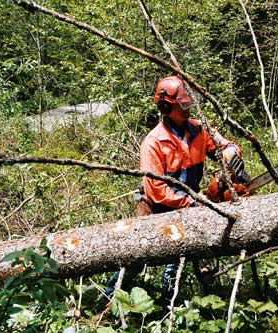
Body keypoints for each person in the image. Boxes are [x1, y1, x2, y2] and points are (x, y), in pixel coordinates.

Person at [103, 75, 247, 303]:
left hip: (190, 204)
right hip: (156, 207)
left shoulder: (198, 130)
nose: (188, 108)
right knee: (134, 258)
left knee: (179, 261)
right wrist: (193, 202)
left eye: (188, 102)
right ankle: (109, 298)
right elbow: (156, 191)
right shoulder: (154, 142)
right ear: (167, 107)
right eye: (183, 105)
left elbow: (223, 143)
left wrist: (231, 153)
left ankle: (170, 304)